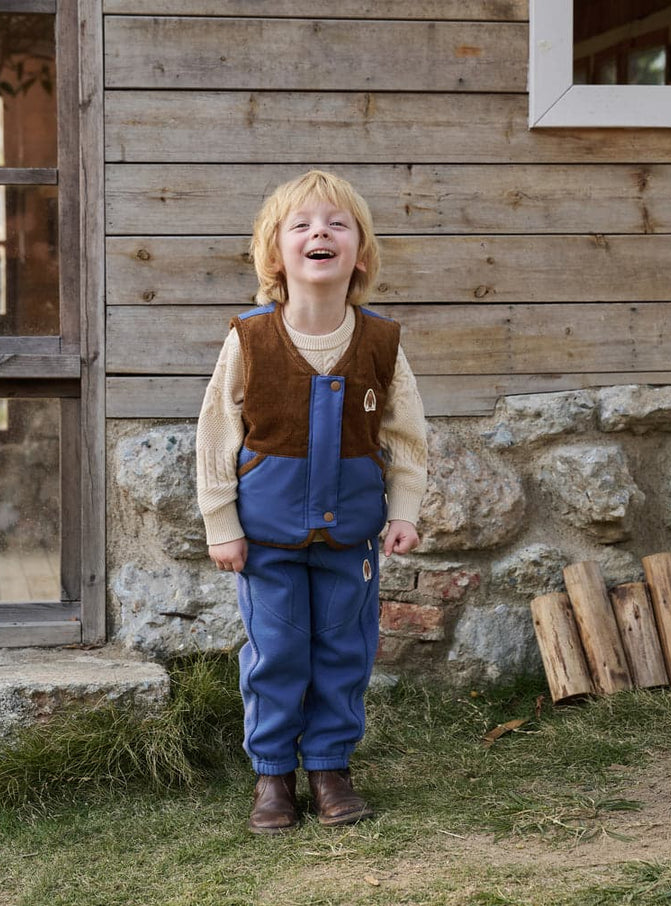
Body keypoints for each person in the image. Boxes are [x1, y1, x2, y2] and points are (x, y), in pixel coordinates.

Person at [196, 170, 428, 834]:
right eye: (300, 225)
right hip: (265, 538)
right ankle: (273, 777)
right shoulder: (250, 339)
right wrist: (222, 523)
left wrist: (404, 510)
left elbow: (407, 435)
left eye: (336, 224)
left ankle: (329, 768)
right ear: (276, 253)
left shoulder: (381, 343)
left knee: (343, 651)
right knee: (275, 651)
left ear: (360, 252)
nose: (318, 233)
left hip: (350, 537)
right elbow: (216, 435)